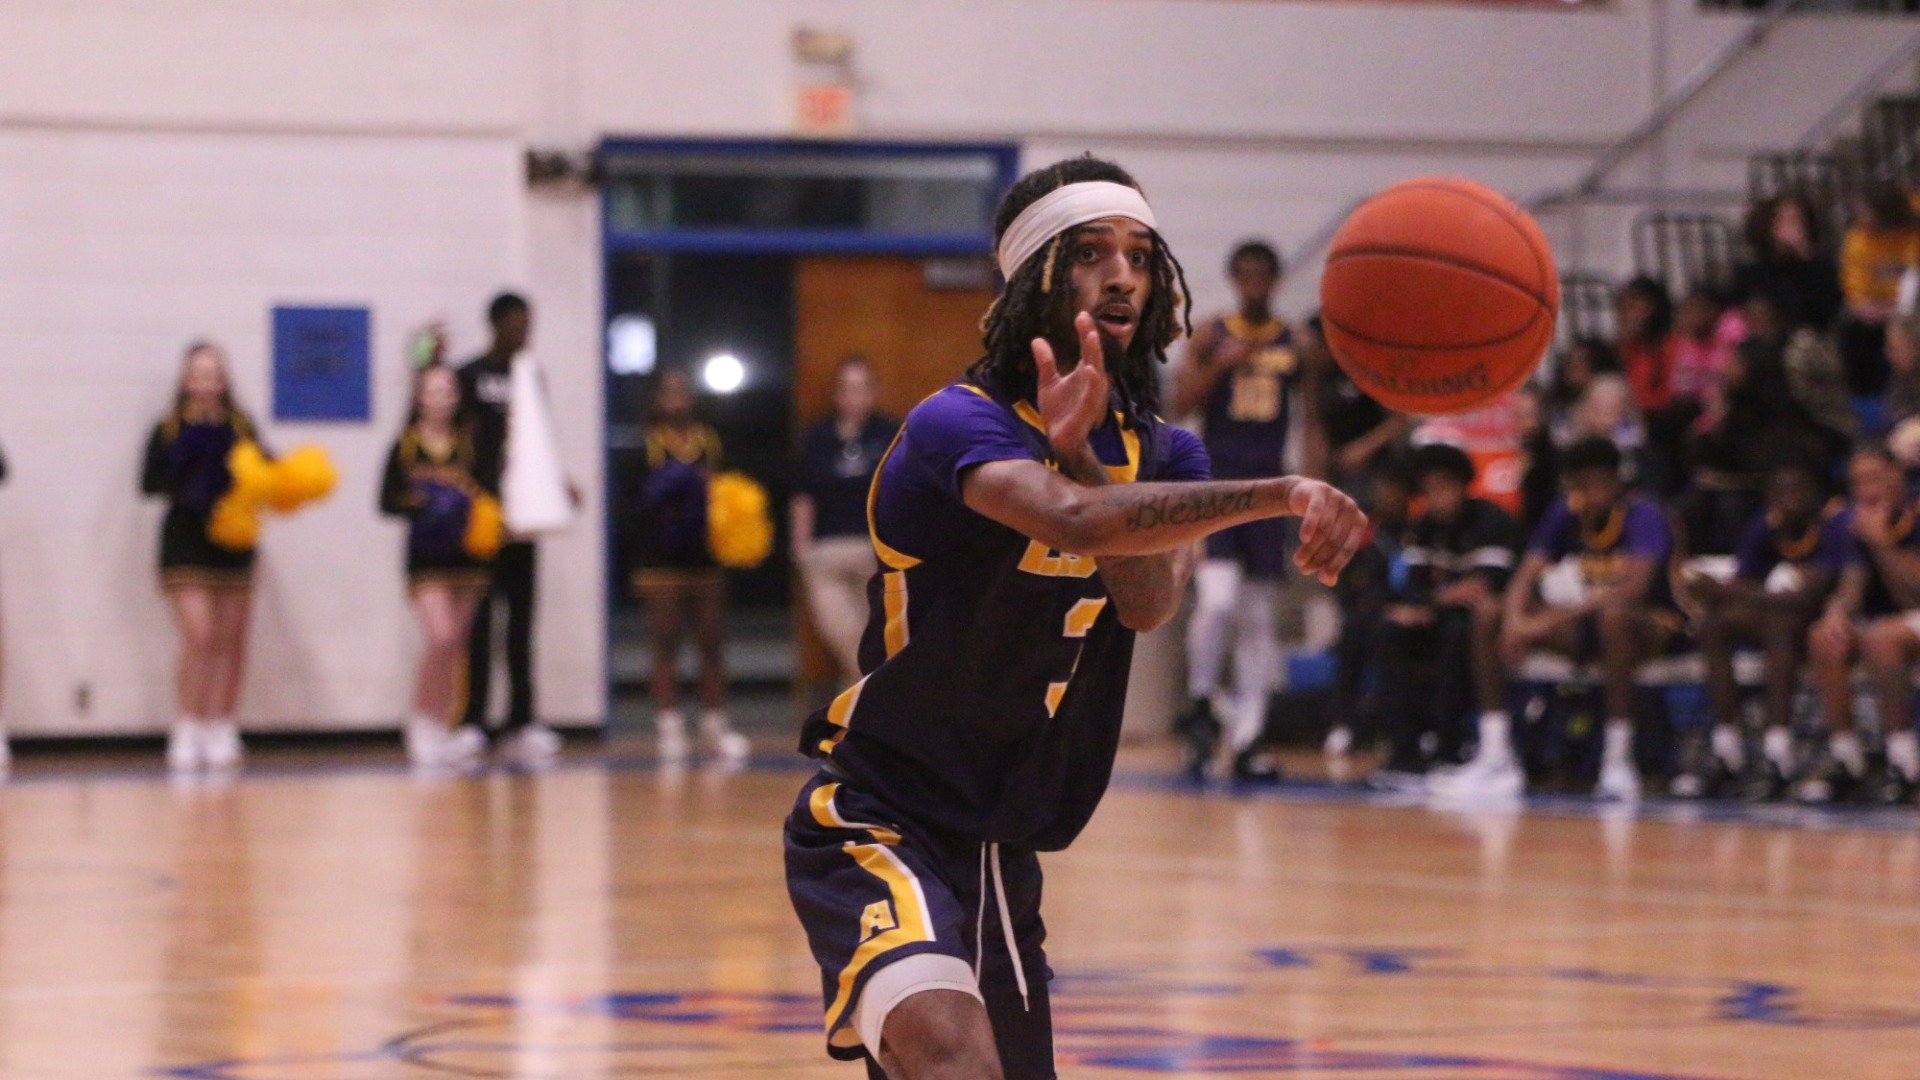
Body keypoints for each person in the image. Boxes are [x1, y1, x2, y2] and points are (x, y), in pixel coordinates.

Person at [782, 156, 1368, 1080]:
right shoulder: (955, 422)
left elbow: (1147, 602)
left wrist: (1089, 457)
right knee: (953, 1058)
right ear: (1031, 280)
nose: (1122, 273)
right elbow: (1065, 518)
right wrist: (1284, 491)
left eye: (1140, 253)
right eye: (1090, 252)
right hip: (878, 815)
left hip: (1002, 837)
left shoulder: (1164, 450)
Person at [1437, 437, 1680, 801]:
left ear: (1618, 482)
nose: (1594, 493)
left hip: (1651, 627)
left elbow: (1633, 589)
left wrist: (1544, 623)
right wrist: (1516, 620)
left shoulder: (1643, 514)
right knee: (1489, 613)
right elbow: (1525, 573)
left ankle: (1618, 760)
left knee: (1614, 618)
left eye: (1602, 483)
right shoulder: (1566, 512)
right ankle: (1496, 756)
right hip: (1584, 626)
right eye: (1585, 485)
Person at [1167, 239, 1301, 782]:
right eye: (1244, 275)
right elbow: (1179, 404)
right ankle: (1201, 704)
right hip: (1217, 485)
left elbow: (1309, 420)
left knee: (1258, 618)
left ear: (1273, 280)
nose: (1253, 285)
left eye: (1262, 276)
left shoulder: (1296, 341)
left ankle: (1250, 735)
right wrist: (1219, 367)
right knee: (1216, 603)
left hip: (1269, 487)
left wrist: (1313, 487)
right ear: (1232, 277)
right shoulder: (1211, 333)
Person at [1677, 458, 1842, 799]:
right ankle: (1727, 746)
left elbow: (1806, 598)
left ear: (1815, 494)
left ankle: (1777, 749)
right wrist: (1735, 593)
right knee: (1714, 624)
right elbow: (1746, 583)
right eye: (1779, 492)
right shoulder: (1765, 525)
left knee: (1780, 626)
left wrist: (1729, 590)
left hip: (1824, 624)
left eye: (1797, 490)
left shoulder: (1832, 526)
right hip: (1773, 615)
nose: (1787, 499)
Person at [455, 292, 570, 762]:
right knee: (479, 626)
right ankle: (473, 720)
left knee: (521, 624)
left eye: (530, 323)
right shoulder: (469, 376)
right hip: (484, 520)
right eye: (517, 323)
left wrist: (558, 485)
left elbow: (539, 442)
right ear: (496, 324)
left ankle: (522, 719)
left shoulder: (531, 375)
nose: (525, 332)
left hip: (523, 521)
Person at [140, 342, 261, 772]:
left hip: (232, 541)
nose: (206, 382)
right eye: (198, 374)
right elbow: (149, 482)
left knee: (231, 639)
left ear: (224, 380)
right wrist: (189, 471)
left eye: (214, 374)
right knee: (199, 635)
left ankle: (222, 723)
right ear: (185, 380)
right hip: (186, 540)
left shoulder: (242, 425)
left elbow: (264, 474)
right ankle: (188, 723)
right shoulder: (168, 428)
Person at [1371, 444, 1519, 784]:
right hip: (1441, 616)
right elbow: (1413, 586)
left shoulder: (1491, 520)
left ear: (1462, 485)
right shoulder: (1422, 528)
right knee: (1389, 630)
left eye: (1443, 486)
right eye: (1428, 489)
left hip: (1489, 623)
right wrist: (1421, 605)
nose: (1436, 496)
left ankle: (1449, 749)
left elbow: (1485, 586)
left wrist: (1434, 601)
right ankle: (1404, 752)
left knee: (1458, 631)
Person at [625, 368, 749, 764]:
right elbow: (630, 503)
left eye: (682, 390)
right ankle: (669, 727)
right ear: (657, 399)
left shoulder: (711, 441)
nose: (676, 398)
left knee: (712, 643)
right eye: (668, 392)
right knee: (665, 644)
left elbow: (733, 497)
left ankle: (714, 726)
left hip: (706, 559)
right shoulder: (645, 445)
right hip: (659, 562)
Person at [380, 358, 500, 768]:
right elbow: (386, 501)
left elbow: (489, 492)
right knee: (440, 637)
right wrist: (425, 501)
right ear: (419, 398)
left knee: (456, 645)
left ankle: (446, 726)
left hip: (467, 557)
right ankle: (421, 722)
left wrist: (466, 500)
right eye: (432, 392)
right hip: (426, 557)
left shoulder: (471, 442)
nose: (440, 400)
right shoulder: (406, 444)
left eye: (447, 392)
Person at [1802, 446, 1920, 805]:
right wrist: (1837, 612)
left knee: (1881, 638)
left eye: (1872, 479)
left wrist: (1883, 544)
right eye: (1856, 482)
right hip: (1890, 623)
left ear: (1896, 474)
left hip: (1909, 613)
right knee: (1825, 637)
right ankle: (1846, 758)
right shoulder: (1853, 520)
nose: (1864, 490)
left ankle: (1904, 762)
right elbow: (1852, 583)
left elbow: (1913, 598)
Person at [794, 356, 899, 685]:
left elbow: (904, 491)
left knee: (880, 647)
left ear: (873, 392)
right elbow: (802, 494)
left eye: (861, 388)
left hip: (876, 553)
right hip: (827, 553)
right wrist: (801, 547)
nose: (854, 397)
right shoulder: (817, 436)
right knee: (849, 645)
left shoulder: (890, 433)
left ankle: (861, 726)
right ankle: (858, 723)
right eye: (846, 389)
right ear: (836, 394)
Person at [1838, 185, 1920, 397]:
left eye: (1866, 212)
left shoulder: (1912, 232)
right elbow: (1854, 288)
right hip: (1876, 310)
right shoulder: (1857, 239)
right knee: (1854, 330)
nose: (1862, 218)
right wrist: (1867, 307)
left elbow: (1913, 276)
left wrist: (1901, 308)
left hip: (1910, 308)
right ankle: (1867, 399)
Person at [1731, 194, 1842, 338]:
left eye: (1800, 221)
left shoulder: (1822, 268)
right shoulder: (1751, 272)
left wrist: (1805, 256)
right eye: (1789, 221)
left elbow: (1820, 313)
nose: (1797, 227)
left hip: (1809, 340)